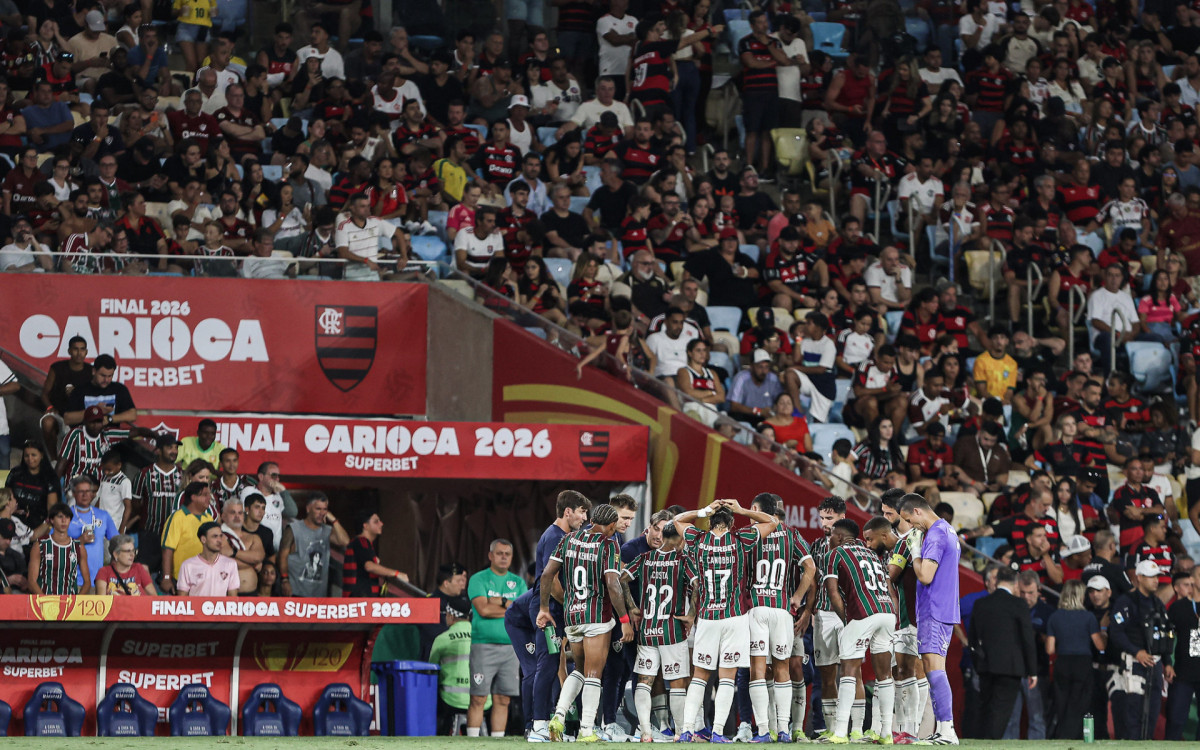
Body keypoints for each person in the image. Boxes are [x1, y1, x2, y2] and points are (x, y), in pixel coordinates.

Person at [670, 499, 778, 742]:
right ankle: (718, 732)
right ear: (731, 523)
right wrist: (742, 510)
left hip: (707, 617)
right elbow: (772, 522)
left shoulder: (697, 539)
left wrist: (702, 510)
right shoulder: (741, 539)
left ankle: (687, 729)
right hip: (734, 617)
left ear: (710, 522)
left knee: (699, 676)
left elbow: (676, 520)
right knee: (727, 677)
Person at [538, 503, 635, 741]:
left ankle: (558, 716)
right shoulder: (609, 543)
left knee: (579, 670)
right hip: (596, 616)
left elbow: (547, 574)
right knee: (594, 674)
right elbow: (612, 584)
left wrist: (543, 608)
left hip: (572, 615)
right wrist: (624, 619)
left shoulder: (568, 539)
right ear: (611, 525)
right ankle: (587, 729)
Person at [745, 493, 815, 743]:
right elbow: (811, 568)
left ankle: (764, 730)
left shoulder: (749, 534)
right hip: (782, 609)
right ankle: (784, 729)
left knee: (758, 669)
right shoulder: (791, 533)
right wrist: (797, 597)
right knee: (783, 668)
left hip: (757, 608)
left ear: (755, 509)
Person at [826, 517, 898, 744]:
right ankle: (886, 733)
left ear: (839, 537)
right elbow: (888, 587)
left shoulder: (835, 554)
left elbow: (833, 593)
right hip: (887, 612)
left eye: (831, 536)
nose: (829, 540)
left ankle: (840, 732)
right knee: (884, 675)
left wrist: (847, 620)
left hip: (863, 613)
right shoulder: (872, 554)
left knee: (849, 671)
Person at [623, 513, 692, 742]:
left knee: (645, 681)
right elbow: (698, 584)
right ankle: (681, 732)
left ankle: (645, 732)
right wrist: (692, 615)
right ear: (678, 538)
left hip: (648, 630)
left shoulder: (645, 558)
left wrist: (632, 607)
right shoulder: (682, 560)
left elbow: (622, 578)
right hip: (673, 631)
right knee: (678, 682)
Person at [900, 494, 962, 744]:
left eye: (909, 520)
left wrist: (915, 552)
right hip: (942, 608)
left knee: (934, 669)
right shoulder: (948, 530)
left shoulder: (935, 534)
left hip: (935, 608)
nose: (911, 526)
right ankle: (943, 729)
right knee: (932, 668)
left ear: (917, 511)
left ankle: (947, 730)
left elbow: (925, 575)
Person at [877, 494, 929, 743]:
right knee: (905, 671)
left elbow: (890, 576)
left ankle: (910, 729)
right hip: (916, 615)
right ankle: (906, 729)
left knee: (909, 670)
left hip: (908, 617)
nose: (886, 518)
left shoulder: (906, 542)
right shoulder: (921, 539)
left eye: (889, 513)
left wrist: (894, 610)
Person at [1108, 559, 1176, 739]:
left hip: (1155, 664)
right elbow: (1116, 632)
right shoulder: (1126, 602)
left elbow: (1164, 634)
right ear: (1139, 577)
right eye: (1151, 577)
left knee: (1152, 712)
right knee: (1134, 712)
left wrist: (1168, 662)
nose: (1156, 581)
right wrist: (1136, 651)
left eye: (1157, 577)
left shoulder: (1158, 603)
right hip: (1135, 664)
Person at [466, 538, 527, 737]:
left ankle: (497, 743)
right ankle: (472, 743)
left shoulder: (519, 582)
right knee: (478, 698)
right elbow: (483, 610)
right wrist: (510, 606)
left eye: (507, 554)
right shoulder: (478, 579)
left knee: (503, 699)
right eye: (499, 553)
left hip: (511, 648)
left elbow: (522, 613)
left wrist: (499, 601)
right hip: (483, 645)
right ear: (490, 556)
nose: (503, 557)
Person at [968, 565, 1038, 740]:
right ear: (1016, 584)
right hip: (1010, 668)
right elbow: (1027, 639)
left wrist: (978, 664)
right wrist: (1032, 671)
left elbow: (972, 639)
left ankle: (983, 742)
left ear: (996, 581)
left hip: (985, 666)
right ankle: (990, 743)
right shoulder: (1019, 604)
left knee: (986, 708)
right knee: (1001, 712)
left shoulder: (980, 604)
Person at [1045, 579, 1105, 738]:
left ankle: (1062, 736)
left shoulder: (1055, 617)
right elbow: (1100, 646)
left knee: (1062, 704)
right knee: (1079, 705)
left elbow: (1050, 649)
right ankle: (1072, 737)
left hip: (1062, 663)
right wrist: (1104, 630)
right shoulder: (1089, 617)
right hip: (1082, 663)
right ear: (1081, 596)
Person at [278, 493, 349, 597]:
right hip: (295, 593)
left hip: (318, 596)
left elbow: (345, 541)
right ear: (308, 509)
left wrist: (333, 520)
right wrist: (284, 580)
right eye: (318, 509)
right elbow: (282, 556)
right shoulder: (294, 528)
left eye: (325, 509)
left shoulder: (327, 531)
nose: (322, 513)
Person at [429, 597, 482, 735]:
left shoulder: (442, 639)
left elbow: (431, 669)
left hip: (452, 700)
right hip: (482, 700)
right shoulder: (482, 636)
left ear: (451, 616)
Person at [133, 435, 182, 571]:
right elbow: (135, 503)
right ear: (159, 450)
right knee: (146, 574)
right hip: (150, 534)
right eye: (170, 447)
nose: (174, 451)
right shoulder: (144, 474)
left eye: (176, 448)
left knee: (171, 574)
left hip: (176, 535)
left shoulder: (183, 475)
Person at [159, 481, 216, 593]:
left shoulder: (208, 518)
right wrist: (166, 578)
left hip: (206, 579)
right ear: (193, 497)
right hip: (182, 579)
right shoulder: (177, 517)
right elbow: (167, 549)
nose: (209, 498)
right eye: (205, 495)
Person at [1165, 570, 1200, 740]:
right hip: (1182, 672)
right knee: (1175, 719)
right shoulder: (1178, 607)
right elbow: (1168, 635)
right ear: (1192, 579)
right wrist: (1167, 662)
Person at [65, 474, 117, 588]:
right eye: (81, 491)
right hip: (71, 581)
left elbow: (117, 542)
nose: (85, 495)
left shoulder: (103, 515)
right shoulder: (65, 515)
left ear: (93, 493)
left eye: (88, 491)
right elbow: (54, 546)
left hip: (98, 581)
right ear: (73, 493)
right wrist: (79, 541)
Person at [342, 510, 407, 596]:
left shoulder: (361, 543)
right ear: (365, 526)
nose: (381, 524)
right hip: (360, 598)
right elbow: (369, 566)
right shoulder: (362, 541)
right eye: (376, 522)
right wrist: (396, 573)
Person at [28, 503, 89, 595]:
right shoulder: (40, 545)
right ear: (52, 520)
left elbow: (87, 582)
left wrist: (77, 601)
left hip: (70, 600)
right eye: (60, 517)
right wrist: (45, 600)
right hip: (45, 599)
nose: (64, 521)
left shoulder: (78, 547)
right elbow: (32, 581)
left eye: (67, 517)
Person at [177, 521, 240, 597]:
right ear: (203, 539)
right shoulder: (188, 565)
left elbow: (233, 598)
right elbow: (182, 598)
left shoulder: (230, 564)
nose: (219, 540)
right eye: (215, 536)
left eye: (220, 536)